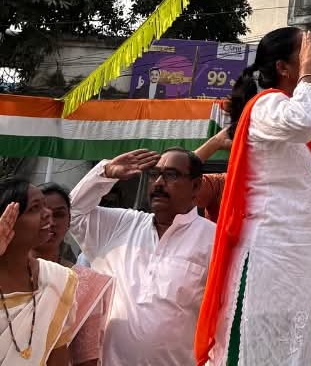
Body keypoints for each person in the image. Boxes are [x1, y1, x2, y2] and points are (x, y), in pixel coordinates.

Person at [195, 27, 311, 366]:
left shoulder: (304, 110)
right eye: (307, 52)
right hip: (268, 259)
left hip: (300, 263)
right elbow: (302, 122)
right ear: (284, 68)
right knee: (254, 350)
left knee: (293, 352)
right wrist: (307, 74)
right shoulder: (266, 106)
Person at [68, 145, 215, 366]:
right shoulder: (122, 225)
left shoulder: (213, 240)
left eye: (171, 175)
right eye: (154, 174)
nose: (158, 183)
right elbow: (71, 214)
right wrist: (105, 173)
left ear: (195, 186)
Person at [0, 181, 77, 366]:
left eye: (45, 206)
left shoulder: (58, 279)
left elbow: (57, 354)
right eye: (35, 208)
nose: (47, 213)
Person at [36, 185, 113, 366]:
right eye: (40, 213)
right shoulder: (7, 273)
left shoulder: (83, 282)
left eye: (59, 214)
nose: (51, 221)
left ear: (69, 221)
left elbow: (86, 358)